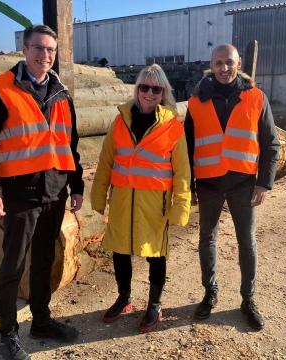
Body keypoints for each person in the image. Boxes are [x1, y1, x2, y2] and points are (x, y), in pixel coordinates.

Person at [0, 25, 83, 360]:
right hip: (19, 194)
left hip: (54, 191)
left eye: (50, 50)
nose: (44, 56)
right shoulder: (0, 89)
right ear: (24, 48)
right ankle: (8, 335)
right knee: (13, 265)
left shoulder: (61, 92)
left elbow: (68, 146)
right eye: (38, 48)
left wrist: (76, 186)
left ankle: (42, 321)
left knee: (45, 259)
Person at [184, 44, 279, 331]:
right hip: (209, 184)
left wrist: (265, 182)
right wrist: (188, 186)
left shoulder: (257, 98)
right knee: (207, 240)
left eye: (229, 62)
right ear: (210, 66)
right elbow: (186, 147)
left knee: (247, 243)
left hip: (243, 184)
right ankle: (209, 292)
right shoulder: (195, 102)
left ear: (238, 64)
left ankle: (248, 300)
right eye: (218, 63)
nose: (224, 69)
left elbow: (270, 143)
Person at [90, 64, 191, 333]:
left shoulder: (172, 127)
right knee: (120, 250)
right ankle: (124, 298)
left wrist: (180, 206)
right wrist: (99, 197)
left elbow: (182, 172)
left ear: (163, 92)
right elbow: (106, 162)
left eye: (155, 88)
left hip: (154, 206)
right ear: (136, 89)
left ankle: (154, 304)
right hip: (123, 201)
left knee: (156, 255)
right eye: (144, 87)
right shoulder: (120, 121)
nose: (149, 93)